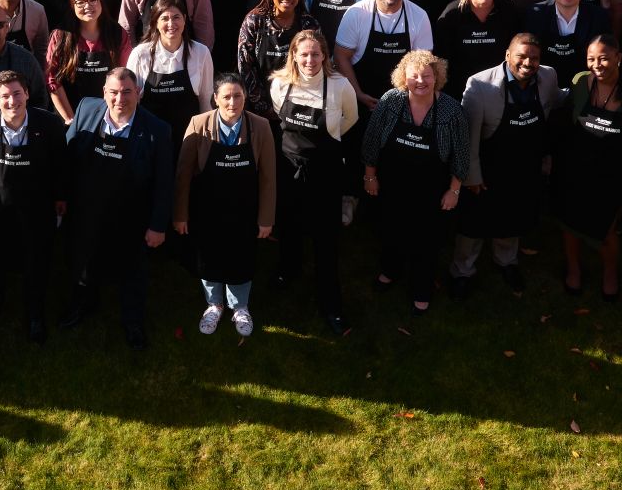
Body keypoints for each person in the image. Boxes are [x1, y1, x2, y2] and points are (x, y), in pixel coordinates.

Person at [61, 68, 177, 347]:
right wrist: (62, 197)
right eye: (113, 92)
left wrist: (158, 225)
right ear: (104, 93)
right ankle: (83, 305)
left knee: (132, 270)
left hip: (131, 214)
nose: (119, 99)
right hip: (88, 210)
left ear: (138, 93)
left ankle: (133, 321)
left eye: (127, 92)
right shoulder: (87, 109)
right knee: (84, 262)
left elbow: (164, 183)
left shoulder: (157, 130)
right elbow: (67, 158)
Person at [361, 50, 470, 313]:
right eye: (414, 76)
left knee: (426, 240)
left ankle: (421, 287)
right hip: (392, 184)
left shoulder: (451, 110)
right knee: (390, 230)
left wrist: (454, 191)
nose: (420, 81)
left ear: (437, 77)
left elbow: (462, 154)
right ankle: (390, 270)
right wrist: (370, 176)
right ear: (403, 77)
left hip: (431, 190)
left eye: (427, 76)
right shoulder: (391, 101)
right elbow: (372, 141)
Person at [454, 33, 560, 296]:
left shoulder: (548, 77)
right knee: (473, 224)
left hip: (524, 167)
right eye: (521, 56)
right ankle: (462, 270)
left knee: (515, 215)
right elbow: (468, 138)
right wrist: (472, 177)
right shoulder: (480, 86)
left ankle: (506, 262)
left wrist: (588, 83)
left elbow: (558, 99)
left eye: (534, 58)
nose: (528, 63)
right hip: (488, 168)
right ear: (507, 55)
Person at [267, 33, 357, 331]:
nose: (309, 61)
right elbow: (281, 115)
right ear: (293, 55)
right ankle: (287, 269)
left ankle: (331, 302)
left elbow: (349, 120)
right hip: (289, 169)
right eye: (303, 55)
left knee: (326, 238)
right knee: (289, 225)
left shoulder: (340, 86)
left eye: (315, 55)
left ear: (325, 56)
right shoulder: (279, 84)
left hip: (326, 173)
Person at [0, 71, 68, 341]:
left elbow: (60, 165)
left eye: (17, 93)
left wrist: (60, 197)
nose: (12, 101)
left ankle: (35, 314)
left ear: (27, 93)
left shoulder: (48, 124)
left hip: (36, 205)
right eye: (5, 96)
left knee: (36, 261)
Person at [175, 75, 278, 336]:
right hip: (206, 209)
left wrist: (266, 219)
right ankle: (214, 304)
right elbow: (183, 175)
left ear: (245, 97)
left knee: (241, 256)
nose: (232, 102)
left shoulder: (261, 127)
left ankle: (240, 306)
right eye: (226, 97)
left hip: (245, 210)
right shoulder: (199, 125)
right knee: (208, 256)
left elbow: (268, 178)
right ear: (215, 99)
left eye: (238, 96)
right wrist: (181, 214)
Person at [559, 35, 622, 300]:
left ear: (619, 58)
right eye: (591, 59)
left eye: (603, 58)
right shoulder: (580, 82)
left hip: (614, 171)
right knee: (570, 222)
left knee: (608, 227)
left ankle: (610, 272)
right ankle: (574, 268)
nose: (597, 64)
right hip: (576, 167)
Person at [335, 0, 435, 106]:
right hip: (359, 98)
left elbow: (423, 64)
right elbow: (341, 57)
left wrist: (408, 99)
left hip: (403, 101)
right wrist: (358, 94)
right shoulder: (356, 14)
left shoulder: (419, 16)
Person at [128, 0, 215, 140]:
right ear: (155, 22)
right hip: (150, 141)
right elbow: (131, 101)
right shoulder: (140, 54)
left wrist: (206, 140)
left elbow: (206, 100)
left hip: (189, 140)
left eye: (176, 17)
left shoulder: (201, 53)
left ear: (185, 19)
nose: (171, 24)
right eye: (164, 18)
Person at [437, 0, 524, 95]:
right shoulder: (452, 14)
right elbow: (441, 58)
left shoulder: (508, 10)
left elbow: (517, 51)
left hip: (498, 88)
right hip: (460, 89)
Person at [44, 0, 124, 122]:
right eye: (80, 2)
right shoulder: (60, 35)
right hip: (69, 114)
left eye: (93, 0)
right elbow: (52, 80)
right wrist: (70, 119)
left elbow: (124, 75)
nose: (87, 6)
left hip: (109, 116)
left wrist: (112, 117)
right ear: (72, 6)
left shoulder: (117, 33)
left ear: (101, 1)